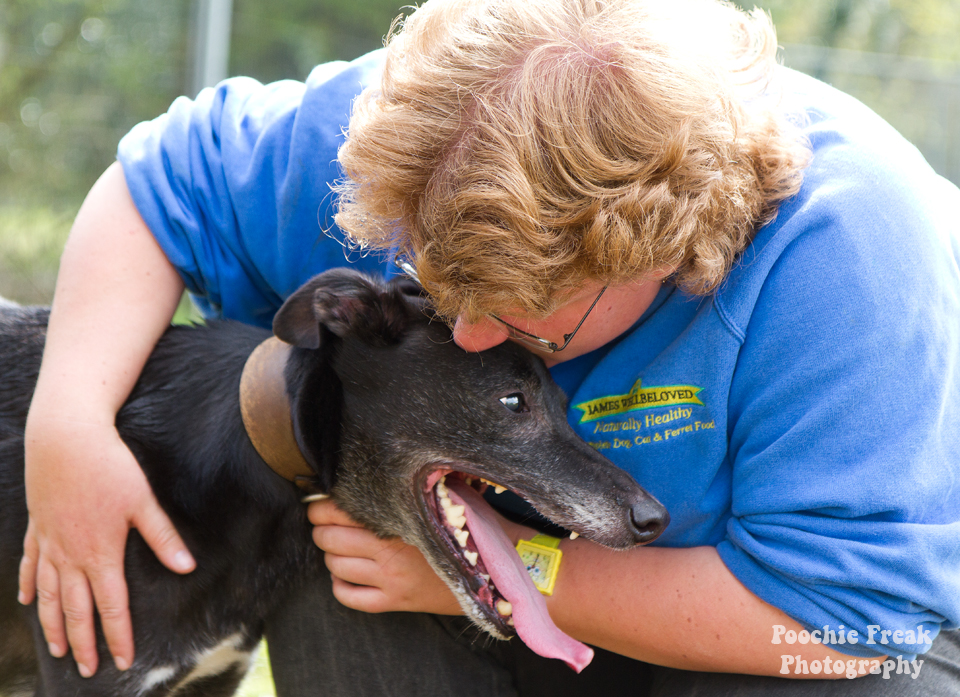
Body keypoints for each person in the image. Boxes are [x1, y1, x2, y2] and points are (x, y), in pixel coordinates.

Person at [19, 0, 960, 694]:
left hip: (811, 635)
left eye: (519, 314)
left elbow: (856, 625)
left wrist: (524, 568)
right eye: (438, 276)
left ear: (665, 255)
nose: (467, 332)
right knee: (348, 526)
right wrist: (66, 431)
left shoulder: (855, 258)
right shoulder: (436, 133)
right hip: (484, 589)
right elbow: (157, 184)